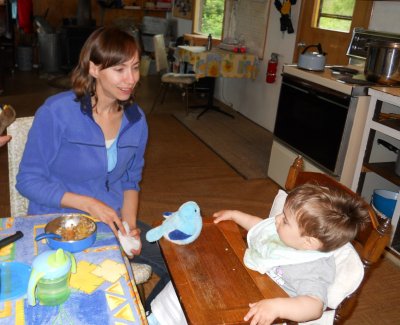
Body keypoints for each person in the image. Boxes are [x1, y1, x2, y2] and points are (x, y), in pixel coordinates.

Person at [16, 26, 169, 310]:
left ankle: (150, 313)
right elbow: (27, 180)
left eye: (135, 68)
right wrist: (88, 203)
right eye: (120, 70)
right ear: (94, 68)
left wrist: (130, 226)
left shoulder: (136, 121)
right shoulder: (57, 112)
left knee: (181, 263)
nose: (131, 79)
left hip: (112, 221)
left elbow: (130, 181)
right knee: (81, 298)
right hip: (58, 224)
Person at [213, 184, 369, 325]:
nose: (277, 218)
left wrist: (277, 308)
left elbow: (314, 306)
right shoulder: (291, 237)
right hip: (248, 281)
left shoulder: (311, 268)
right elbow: (262, 229)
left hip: (267, 311)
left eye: (285, 220)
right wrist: (235, 215)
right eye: (282, 214)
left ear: (308, 242)